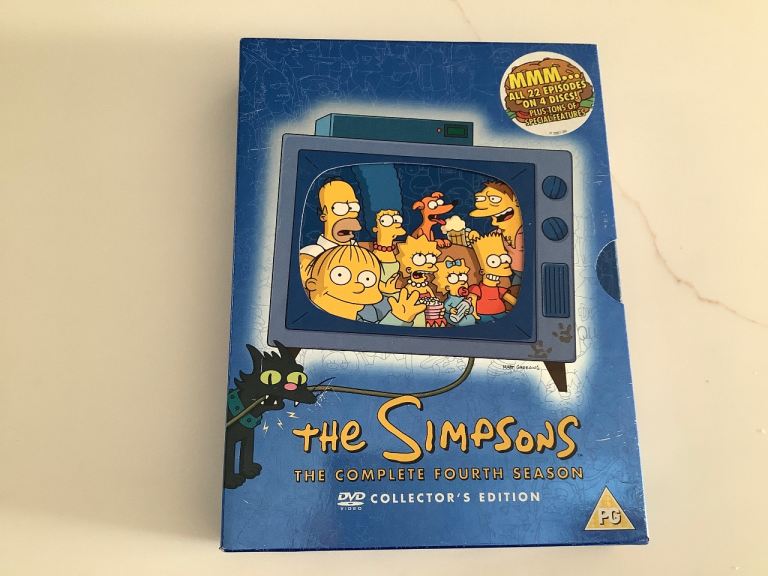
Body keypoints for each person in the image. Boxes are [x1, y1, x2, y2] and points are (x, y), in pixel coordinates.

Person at [304, 244, 424, 326]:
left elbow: (377, 340)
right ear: (312, 284)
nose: (359, 286)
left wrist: (400, 317)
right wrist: (398, 319)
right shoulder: (311, 321)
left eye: (367, 279)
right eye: (340, 275)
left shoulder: (363, 319)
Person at [299, 179, 362, 284]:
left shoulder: (360, 252)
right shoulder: (312, 254)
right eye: (340, 207)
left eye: (353, 207)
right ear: (323, 215)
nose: (350, 214)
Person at [469, 181, 524, 286]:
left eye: (494, 199)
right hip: (510, 272)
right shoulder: (499, 232)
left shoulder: (521, 232)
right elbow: (489, 243)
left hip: (522, 272)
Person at [468, 232, 517, 323]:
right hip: (483, 315)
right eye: (494, 261)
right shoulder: (477, 289)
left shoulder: (499, 290)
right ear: (482, 272)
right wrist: (474, 313)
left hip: (501, 313)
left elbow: (511, 300)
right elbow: (472, 300)